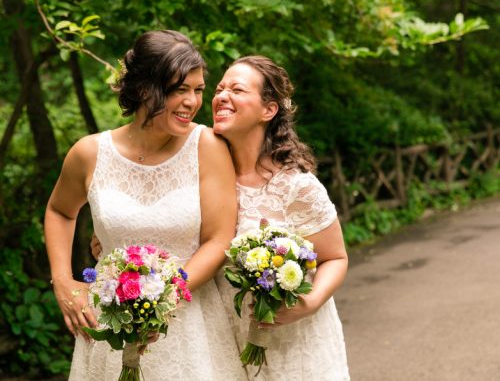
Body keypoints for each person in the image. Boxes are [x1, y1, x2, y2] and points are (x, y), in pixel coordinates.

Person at [44, 30, 248, 380]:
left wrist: (159, 301)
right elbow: (60, 211)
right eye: (178, 89)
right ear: (143, 89)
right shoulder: (89, 153)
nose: (192, 102)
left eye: (198, 90)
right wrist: (63, 281)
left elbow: (219, 240)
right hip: (111, 327)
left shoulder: (207, 146)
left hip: (189, 326)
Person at [211, 56, 350, 380]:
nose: (221, 96)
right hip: (226, 343)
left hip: (295, 347)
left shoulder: (296, 186)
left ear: (268, 110)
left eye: (237, 89)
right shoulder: (206, 180)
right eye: (219, 89)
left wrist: (310, 302)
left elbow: (336, 257)